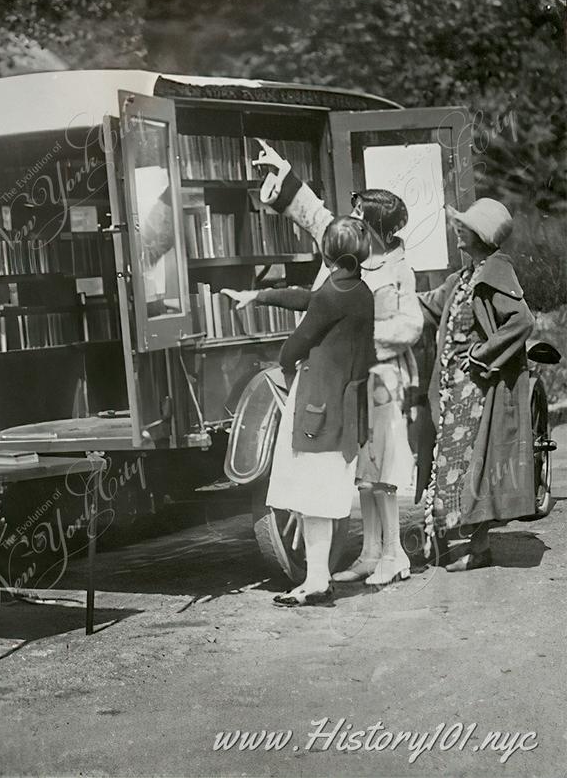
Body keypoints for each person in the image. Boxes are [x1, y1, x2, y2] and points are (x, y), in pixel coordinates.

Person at [226, 142, 423, 586]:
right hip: (343, 380)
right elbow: (315, 214)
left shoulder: (397, 269)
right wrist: (284, 170)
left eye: (357, 213)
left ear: (374, 226)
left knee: (382, 468)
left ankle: (394, 554)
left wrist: (356, 337)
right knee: (361, 472)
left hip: (379, 378)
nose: (347, 218)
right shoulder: (347, 249)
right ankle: (370, 552)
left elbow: (410, 325)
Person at [262, 216, 376, 606]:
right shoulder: (359, 290)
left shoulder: (331, 295)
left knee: (310, 494)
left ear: (326, 253)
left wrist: (285, 364)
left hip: (317, 404)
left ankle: (315, 581)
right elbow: (311, 301)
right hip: (344, 402)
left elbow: (297, 342)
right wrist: (259, 296)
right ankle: (318, 577)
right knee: (323, 493)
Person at [417, 198, 534, 570]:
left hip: (479, 388)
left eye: (462, 226)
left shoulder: (496, 272)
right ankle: (464, 542)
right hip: (455, 388)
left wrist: (482, 354)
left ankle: (479, 548)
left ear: (480, 235)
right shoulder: (465, 276)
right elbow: (431, 305)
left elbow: (521, 321)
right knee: (456, 463)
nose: (456, 229)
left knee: (475, 465)